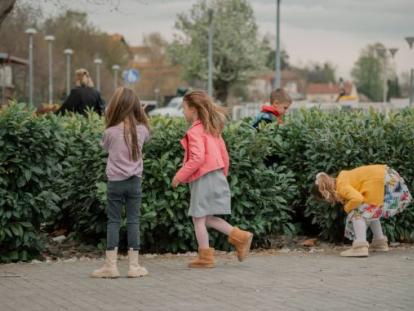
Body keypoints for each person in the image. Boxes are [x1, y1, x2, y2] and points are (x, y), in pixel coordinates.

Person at [172, 90, 253, 268]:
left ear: (193, 109)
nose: (183, 112)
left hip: (203, 176)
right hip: (216, 174)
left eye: (184, 108)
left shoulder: (195, 131)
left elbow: (197, 158)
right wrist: (221, 175)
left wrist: (179, 176)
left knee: (198, 218)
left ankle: (205, 257)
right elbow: (224, 155)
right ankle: (241, 237)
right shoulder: (212, 128)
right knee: (207, 217)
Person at [91, 87, 150, 278]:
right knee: (134, 221)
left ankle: (111, 266)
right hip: (134, 183)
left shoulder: (110, 132)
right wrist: (142, 113)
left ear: (115, 106)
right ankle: (134, 267)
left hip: (115, 183)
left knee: (113, 222)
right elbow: (146, 132)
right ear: (135, 107)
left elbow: (104, 146)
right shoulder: (141, 130)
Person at [314, 164, 412, 257]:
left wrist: (347, 208)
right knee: (370, 211)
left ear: (326, 193)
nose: (331, 200)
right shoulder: (343, 179)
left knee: (357, 212)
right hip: (386, 176)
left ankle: (360, 247)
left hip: (381, 180)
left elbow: (357, 199)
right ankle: (379, 242)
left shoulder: (341, 186)